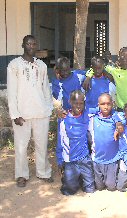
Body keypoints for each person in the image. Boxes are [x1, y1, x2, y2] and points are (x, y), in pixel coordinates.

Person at [7, 35, 53, 187]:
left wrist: (48, 108)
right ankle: (21, 175)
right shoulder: (14, 65)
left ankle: (43, 172)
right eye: (28, 44)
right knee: (21, 146)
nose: (31, 46)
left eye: (34, 44)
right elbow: (11, 92)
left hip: (41, 112)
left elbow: (46, 88)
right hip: (22, 114)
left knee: (42, 144)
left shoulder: (42, 66)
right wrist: (15, 114)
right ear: (23, 45)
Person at [56, 90, 95, 195]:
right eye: (75, 103)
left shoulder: (87, 114)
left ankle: (81, 177)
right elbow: (60, 141)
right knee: (69, 191)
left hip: (84, 157)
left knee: (90, 189)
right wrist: (60, 161)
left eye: (81, 103)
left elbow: (106, 110)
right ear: (70, 102)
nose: (78, 106)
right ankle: (70, 178)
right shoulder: (63, 119)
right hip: (70, 159)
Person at [88, 93, 123, 191]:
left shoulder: (116, 117)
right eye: (103, 104)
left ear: (112, 104)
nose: (106, 106)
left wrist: (118, 122)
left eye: (108, 104)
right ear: (98, 105)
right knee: (99, 187)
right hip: (97, 159)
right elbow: (82, 111)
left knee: (111, 187)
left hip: (112, 159)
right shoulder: (92, 118)